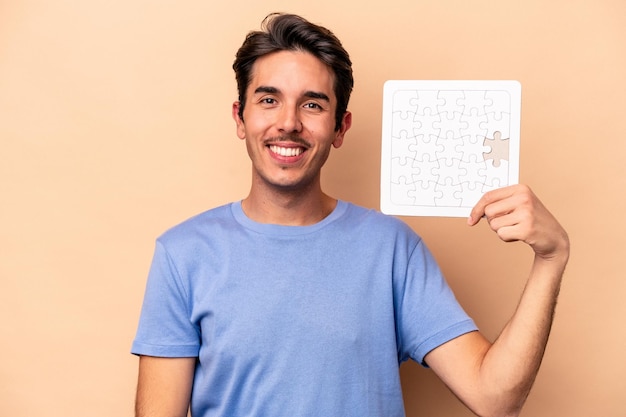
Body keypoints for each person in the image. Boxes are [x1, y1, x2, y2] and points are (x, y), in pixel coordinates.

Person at [131, 12, 569, 417]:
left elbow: (496, 398)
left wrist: (551, 259)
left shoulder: (393, 249)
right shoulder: (182, 254)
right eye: (268, 100)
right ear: (240, 117)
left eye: (313, 104)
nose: (288, 123)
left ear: (340, 128)